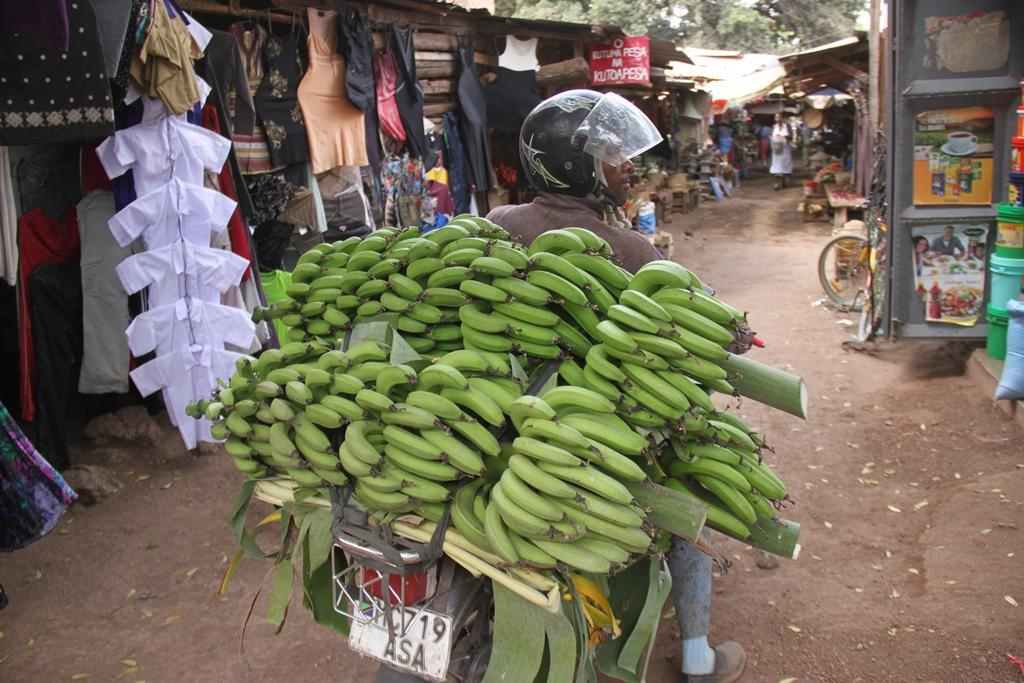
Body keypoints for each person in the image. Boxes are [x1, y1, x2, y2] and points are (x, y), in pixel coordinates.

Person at [487, 89, 748, 683]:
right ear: (576, 165)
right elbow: (710, 326)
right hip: (604, 426)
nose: (629, 164)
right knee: (688, 500)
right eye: (612, 153)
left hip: (501, 411)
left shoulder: (497, 225)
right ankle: (698, 657)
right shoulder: (630, 250)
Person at [769, 113, 793, 190]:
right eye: (776, 117)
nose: (777, 119)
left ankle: (785, 181)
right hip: (776, 149)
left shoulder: (787, 126)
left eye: (779, 117)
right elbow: (772, 137)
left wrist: (785, 136)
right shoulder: (774, 127)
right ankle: (777, 182)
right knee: (777, 166)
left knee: (785, 164)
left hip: (785, 148)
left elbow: (791, 137)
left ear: (782, 118)